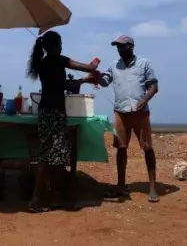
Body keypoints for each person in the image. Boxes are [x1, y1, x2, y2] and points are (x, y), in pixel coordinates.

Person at [26, 30, 100, 213]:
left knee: (46, 157)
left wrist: (83, 81)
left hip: (44, 112)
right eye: (60, 44)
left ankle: (39, 199)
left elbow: (62, 85)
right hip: (56, 113)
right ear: (52, 46)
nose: (62, 47)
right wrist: (95, 65)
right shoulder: (60, 60)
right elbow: (88, 67)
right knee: (58, 159)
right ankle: (60, 198)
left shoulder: (42, 63)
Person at [86, 35, 159, 203]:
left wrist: (145, 100)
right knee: (121, 148)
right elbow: (105, 82)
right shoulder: (114, 66)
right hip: (120, 112)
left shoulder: (144, 63)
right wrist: (96, 77)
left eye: (122, 46)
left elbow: (154, 86)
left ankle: (153, 187)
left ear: (131, 46)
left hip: (140, 112)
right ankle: (120, 185)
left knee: (147, 148)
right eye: (117, 47)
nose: (119, 49)